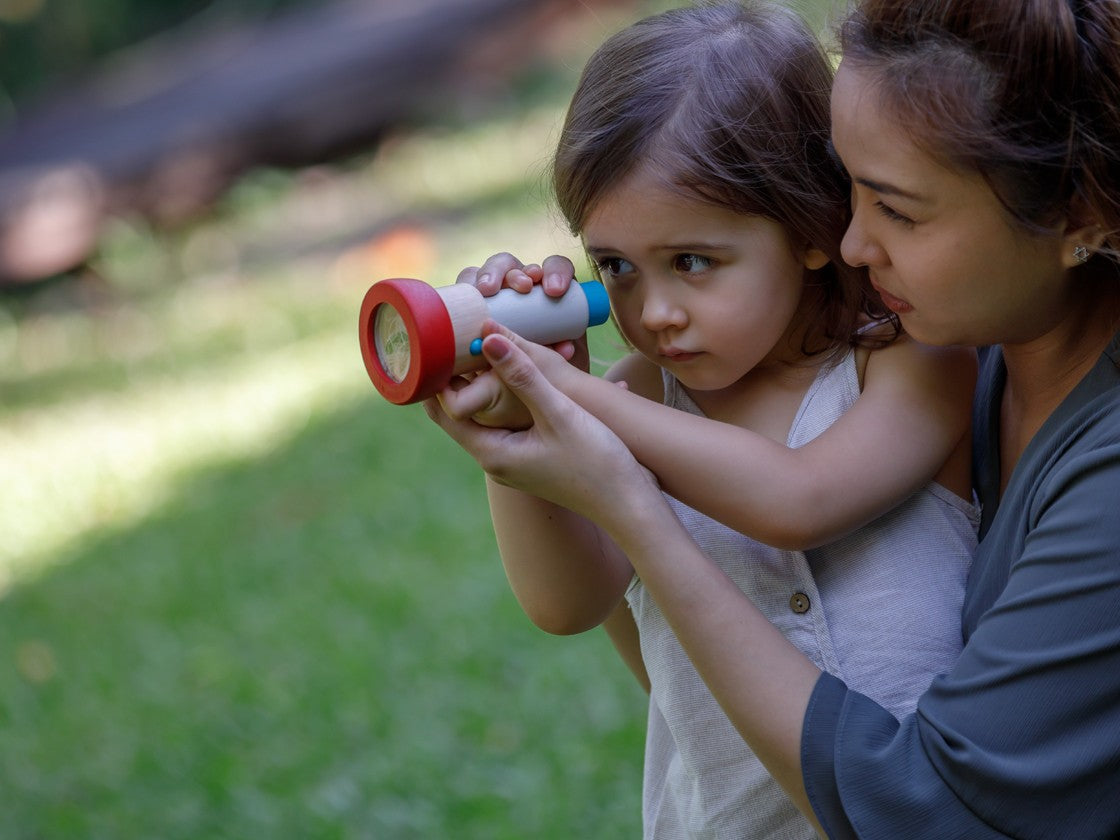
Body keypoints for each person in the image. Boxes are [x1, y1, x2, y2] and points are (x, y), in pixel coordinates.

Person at [427, 0, 1120, 836]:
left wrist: (576, 402)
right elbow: (568, 603)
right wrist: (520, 427)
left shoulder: (910, 363)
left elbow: (795, 501)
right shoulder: (647, 394)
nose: (656, 312)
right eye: (614, 266)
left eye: (692, 262)